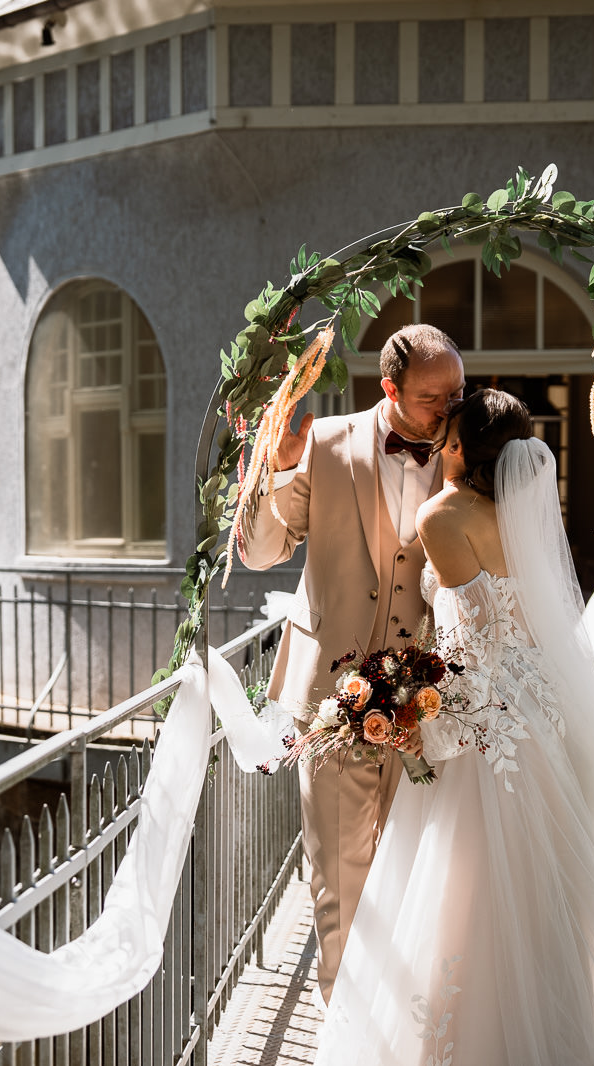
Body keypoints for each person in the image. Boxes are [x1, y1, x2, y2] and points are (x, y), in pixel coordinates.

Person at [313, 390, 594, 1065]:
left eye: (447, 436)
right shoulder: (520, 516)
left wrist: (427, 722)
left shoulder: (441, 517)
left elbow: (476, 643)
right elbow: (525, 631)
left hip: (484, 721)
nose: (439, 445)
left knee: (466, 878)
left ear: (461, 447)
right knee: (539, 883)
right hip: (540, 717)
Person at [238, 323, 465, 1002]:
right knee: (339, 872)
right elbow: (260, 551)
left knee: (420, 871)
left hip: (430, 700)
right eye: (431, 397)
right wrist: (281, 468)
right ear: (389, 388)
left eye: (456, 393)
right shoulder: (326, 442)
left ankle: (409, 1017)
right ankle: (343, 1022)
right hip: (331, 699)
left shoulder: (467, 451)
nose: (447, 408)